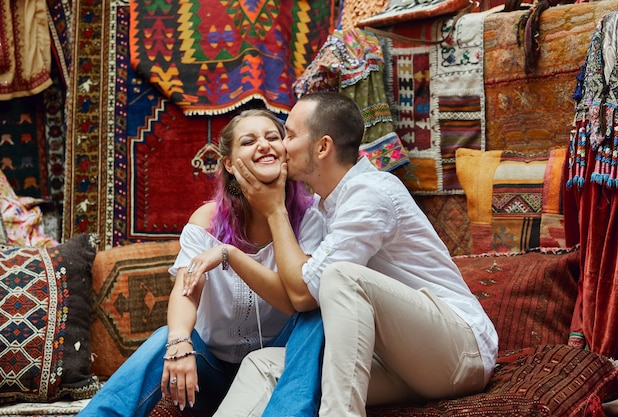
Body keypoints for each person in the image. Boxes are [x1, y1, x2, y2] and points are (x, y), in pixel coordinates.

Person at [210, 92, 499, 417]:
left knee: (340, 276)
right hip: (401, 362)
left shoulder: (371, 192)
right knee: (264, 365)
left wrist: (275, 210)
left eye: (289, 135)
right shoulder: (322, 210)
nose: (282, 147)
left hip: (460, 350)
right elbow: (298, 290)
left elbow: (305, 294)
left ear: (322, 147)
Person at [76, 109, 325, 417]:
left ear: (285, 153)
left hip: (280, 369)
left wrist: (234, 251)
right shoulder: (206, 222)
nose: (263, 145)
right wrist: (179, 343)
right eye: (249, 141)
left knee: (316, 314)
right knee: (166, 339)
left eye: (273, 137)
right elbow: (187, 290)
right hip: (211, 374)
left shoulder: (312, 217)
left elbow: (297, 302)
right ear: (230, 164)